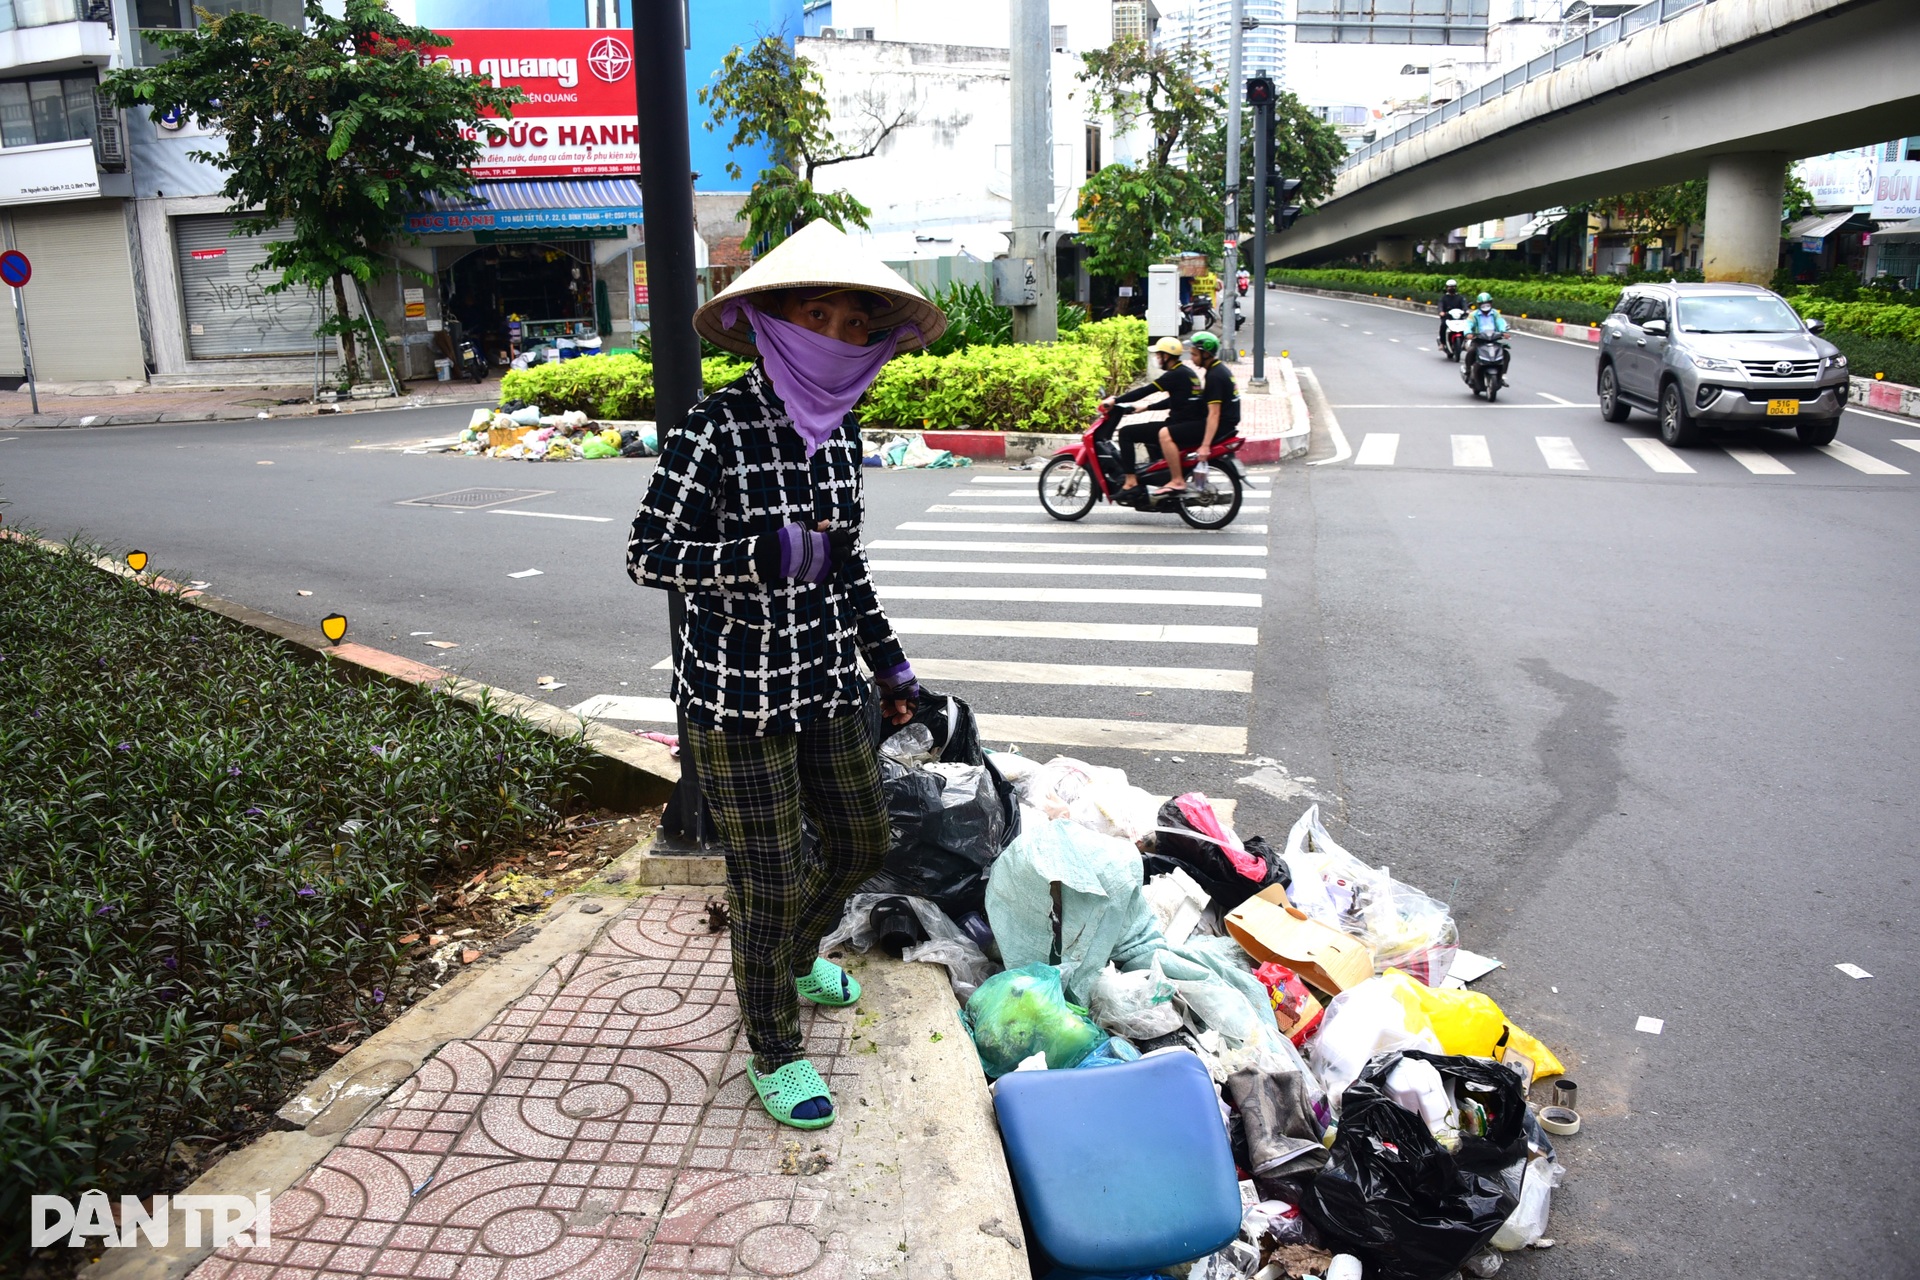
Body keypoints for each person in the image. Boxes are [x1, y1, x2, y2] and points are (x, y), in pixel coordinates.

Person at [626, 222, 947, 1132]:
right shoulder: (714, 427)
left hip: (824, 686)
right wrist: (755, 556)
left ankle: (797, 954)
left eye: (856, 324)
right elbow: (649, 554)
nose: (840, 336)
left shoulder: (841, 439)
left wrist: (889, 662)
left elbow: (843, 567)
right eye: (820, 315)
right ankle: (773, 1043)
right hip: (733, 701)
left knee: (861, 842)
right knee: (766, 879)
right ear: (771, 324)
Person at [1102, 335, 1201, 503]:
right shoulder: (1187, 373)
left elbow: (1146, 390)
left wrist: (1115, 400)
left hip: (1178, 427)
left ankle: (1131, 481)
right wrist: (1147, 408)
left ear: (1166, 356)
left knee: (1127, 433)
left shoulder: (1174, 375)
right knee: (1149, 434)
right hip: (1188, 424)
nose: (1157, 358)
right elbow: (1176, 400)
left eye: (1158, 355)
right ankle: (1157, 476)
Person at [1153, 331, 1239, 497]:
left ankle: (1177, 480)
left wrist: (1205, 445)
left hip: (1220, 426)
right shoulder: (1219, 370)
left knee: (1165, 434)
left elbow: (1214, 414)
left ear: (1205, 354)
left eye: (1194, 354)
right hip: (1227, 424)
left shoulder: (1215, 376)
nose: (1191, 358)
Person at [1437, 278, 1466, 343]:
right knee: (1443, 325)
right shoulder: (1443, 298)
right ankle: (1443, 342)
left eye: (1453, 287)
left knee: (1467, 326)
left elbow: (1464, 305)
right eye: (1450, 287)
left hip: (1458, 317)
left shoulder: (1460, 297)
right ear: (1446, 288)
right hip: (1448, 317)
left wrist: (1466, 310)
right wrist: (1441, 312)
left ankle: (1466, 341)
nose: (1451, 288)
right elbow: (1440, 305)